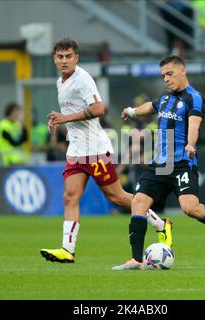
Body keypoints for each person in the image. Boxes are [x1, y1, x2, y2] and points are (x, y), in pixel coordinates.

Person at [113, 55, 205, 270]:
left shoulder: (193, 98)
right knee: (138, 202)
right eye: (163, 76)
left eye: (170, 74)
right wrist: (132, 111)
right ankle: (136, 259)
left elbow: (194, 125)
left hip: (181, 163)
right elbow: (151, 106)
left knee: (190, 208)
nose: (166, 79)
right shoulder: (165, 98)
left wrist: (190, 144)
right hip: (159, 164)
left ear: (183, 71)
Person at [40, 38, 172, 264]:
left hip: (95, 151)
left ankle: (161, 224)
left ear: (76, 58)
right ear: (54, 59)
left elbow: (99, 109)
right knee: (70, 197)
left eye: (68, 56)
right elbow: (72, 114)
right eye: (60, 57)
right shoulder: (60, 82)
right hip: (76, 150)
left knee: (117, 197)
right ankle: (67, 250)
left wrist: (65, 118)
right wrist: (58, 121)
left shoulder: (82, 79)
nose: (64, 61)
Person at [0, 102, 29, 166]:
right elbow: (14, 142)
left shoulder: (17, 124)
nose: (18, 114)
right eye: (16, 112)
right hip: (8, 161)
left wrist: (23, 127)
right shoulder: (3, 125)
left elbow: (25, 139)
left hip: (20, 160)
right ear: (10, 112)